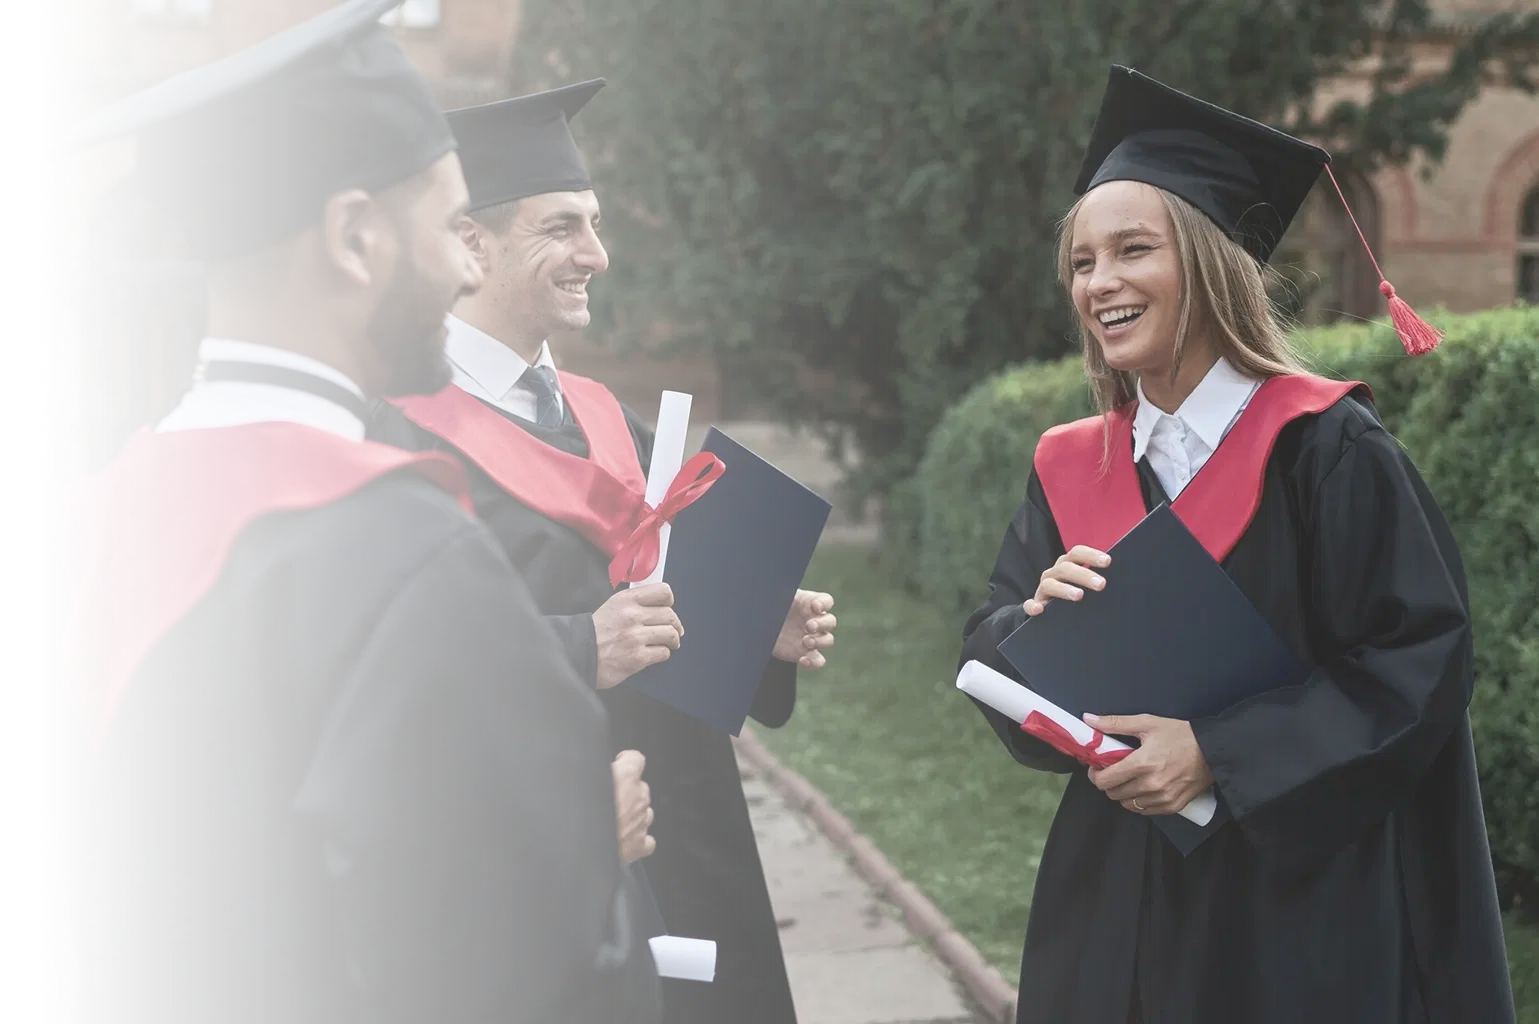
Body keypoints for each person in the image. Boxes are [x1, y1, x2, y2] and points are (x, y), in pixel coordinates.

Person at [41, 2, 660, 1021]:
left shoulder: (85, 524)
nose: (467, 266)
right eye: (448, 227)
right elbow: (505, 972)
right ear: (355, 236)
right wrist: (578, 842)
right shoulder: (404, 554)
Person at [958, 65, 1514, 1024]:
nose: (1101, 283)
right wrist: (1032, 621)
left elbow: (1419, 660)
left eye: (1133, 249)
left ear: (1211, 267)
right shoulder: (1072, 464)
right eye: (1082, 263)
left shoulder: (1323, 445)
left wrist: (1217, 753)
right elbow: (987, 651)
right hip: (1120, 891)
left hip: (1295, 901)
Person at [365, 79, 837, 1024]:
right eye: (562, 227)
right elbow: (391, 671)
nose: (597, 255)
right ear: (470, 243)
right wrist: (582, 644)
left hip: (695, 841)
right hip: (539, 861)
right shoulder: (390, 439)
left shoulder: (600, 416)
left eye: (593, 224)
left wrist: (750, 627)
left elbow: (658, 611)